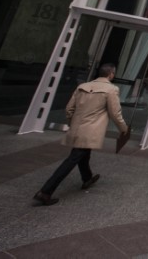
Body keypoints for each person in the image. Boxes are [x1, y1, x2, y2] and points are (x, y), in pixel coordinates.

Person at [33, 63, 128, 206]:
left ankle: (87, 178)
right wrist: (123, 129)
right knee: (73, 158)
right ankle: (45, 191)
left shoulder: (82, 86)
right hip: (91, 130)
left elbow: (69, 109)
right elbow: (115, 113)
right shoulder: (111, 89)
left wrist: (73, 123)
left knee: (83, 153)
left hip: (78, 128)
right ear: (111, 75)